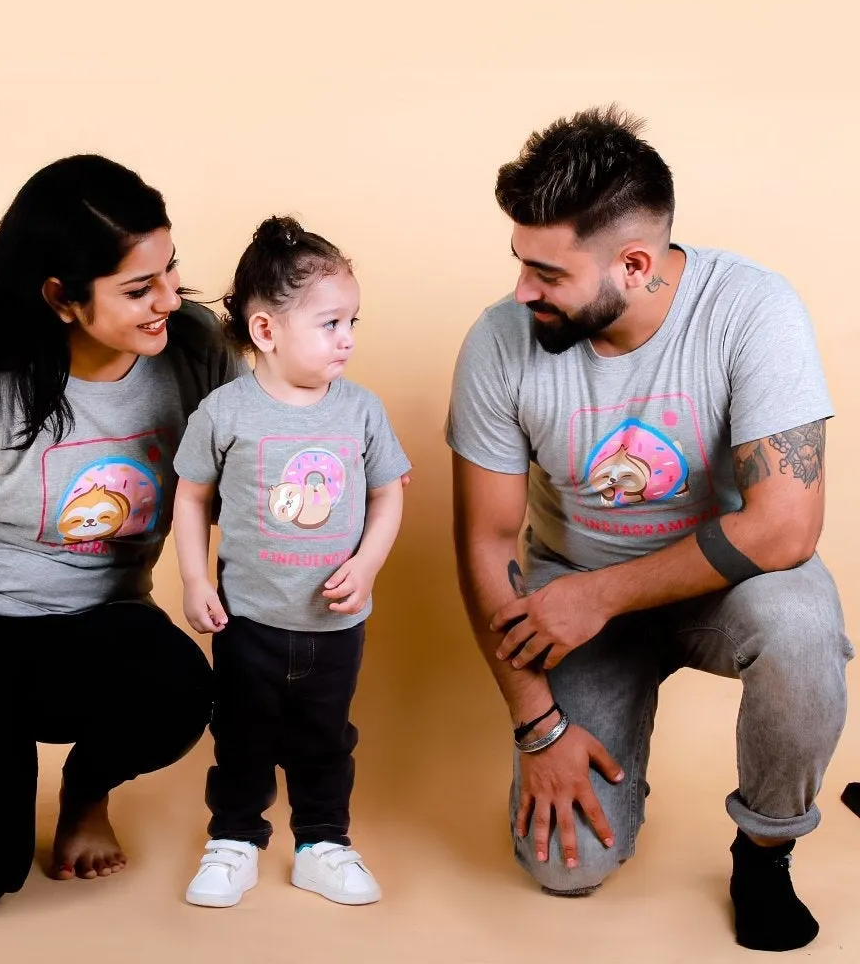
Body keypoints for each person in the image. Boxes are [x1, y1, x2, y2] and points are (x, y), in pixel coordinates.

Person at [447, 106, 850, 952]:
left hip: (720, 587)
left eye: (546, 272)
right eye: (519, 262)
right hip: (573, 605)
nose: (523, 290)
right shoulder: (498, 343)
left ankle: (765, 850)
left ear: (633, 265)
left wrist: (601, 594)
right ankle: (615, 767)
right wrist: (539, 727)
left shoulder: (752, 309)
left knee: (803, 624)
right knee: (566, 869)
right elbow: (485, 542)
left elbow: (783, 531)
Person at [0, 154, 242, 916]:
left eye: (170, 271)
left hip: (100, 626)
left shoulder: (193, 348)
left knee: (181, 687)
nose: (169, 299)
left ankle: (85, 791)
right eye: (139, 289)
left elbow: (238, 484)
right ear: (62, 298)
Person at [173, 216, 410, 908]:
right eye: (331, 323)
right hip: (248, 620)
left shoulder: (361, 411)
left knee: (325, 739)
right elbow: (190, 498)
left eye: (353, 322)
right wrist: (193, 577)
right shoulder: (224, 413)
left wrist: (366, 564)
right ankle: (235, 839)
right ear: (266, 331)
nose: (349, 339)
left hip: (336, 626)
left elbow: (389, 494)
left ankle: (322, 842)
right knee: (242, 736)